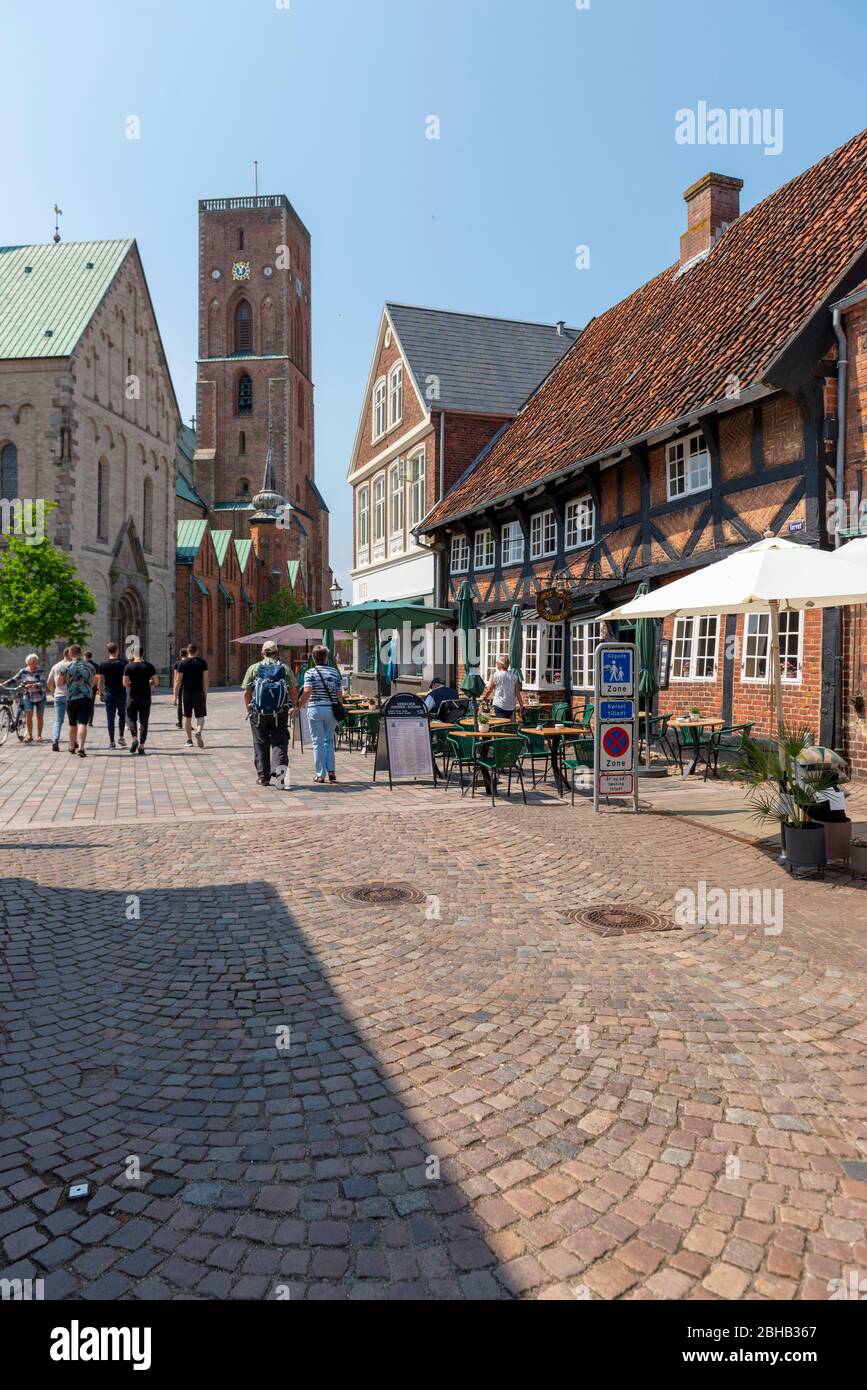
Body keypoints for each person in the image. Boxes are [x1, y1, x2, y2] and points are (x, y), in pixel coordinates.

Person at [242, 640, 296, 786]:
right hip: (280, 712)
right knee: (280, 742)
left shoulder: (254, 668)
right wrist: (294, 706)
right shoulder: (284, 668)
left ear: (263, 653)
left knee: (260, 743)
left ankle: (263, 778)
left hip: (258, 713)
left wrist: (249, 709)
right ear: (277, 653)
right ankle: (280, 777)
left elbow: (247, 692)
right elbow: (292, 690)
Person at [298, 644, 343, 784]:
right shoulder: (335, 672)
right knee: (329, 740)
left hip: (315, 709)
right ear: (326, 657)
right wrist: (340, 706)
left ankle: (320, 774)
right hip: (331, 710)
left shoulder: (310, 673)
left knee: (317, 742)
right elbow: (339, 694)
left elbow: (307, 691)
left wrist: (298, 705)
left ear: (313, 658)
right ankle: (331, 771)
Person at [64, 645, 98, 757]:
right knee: (82, 723)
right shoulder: (89, 666)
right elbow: (93, 681)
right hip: (86, 697)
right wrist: (87, 687)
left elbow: (59, 682)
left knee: (72, 724)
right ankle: (81, 748)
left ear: (70, 654)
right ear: (81, 652)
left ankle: (71, 746)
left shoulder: (66, 666)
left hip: (71, 698)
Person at [123, 650, 158, 755]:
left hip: (133, 697)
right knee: (143, 721)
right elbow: (156, 681)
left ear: (134, 655)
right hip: (145, 697)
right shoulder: (149, 666)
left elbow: (124, 683)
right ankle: (142, 746)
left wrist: (132, 684)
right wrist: (149, 682)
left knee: (130, 718)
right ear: (143, 654)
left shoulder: (128, 667)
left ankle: (134, 739)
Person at [174, 643, 209, 748]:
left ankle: (189, 740)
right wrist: (205, 693)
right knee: (200, 716)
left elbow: (178, 681)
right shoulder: (202, 663)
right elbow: (206, 679)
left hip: (186, 694)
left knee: (187, 717)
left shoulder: (182, 664)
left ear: (188, 651)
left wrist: (175, 696)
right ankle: (198, 731)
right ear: (197, 651)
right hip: (199, 693)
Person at [10, 654, 48, 742]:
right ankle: (30, 736)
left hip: (40, 695)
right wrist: (4, 684)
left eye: (35, 661)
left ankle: (39, 735)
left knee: (39, 716)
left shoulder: (41, 671)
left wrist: (32, 685)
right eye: (32, 661)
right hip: (28, 695)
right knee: (29, 715)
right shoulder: (23, 671)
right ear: (28, 662)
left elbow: (42, 683)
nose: (34, 663)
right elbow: (14, 679)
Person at [98, 642, 128, 749]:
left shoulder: (103, 664)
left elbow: (101, 681)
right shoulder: (124, 663)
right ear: (117, 650)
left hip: (108, 693)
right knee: (122, 715)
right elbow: (127, 679)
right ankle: (121, 737)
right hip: (121, 692)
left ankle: (111, 742)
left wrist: (100, 693)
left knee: (110, 717)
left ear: (108, 651)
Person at [482, 656, 525, 721]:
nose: (496, 664)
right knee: (509, 726)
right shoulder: (514, 677)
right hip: (511, 706)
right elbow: (517, 693)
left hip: (499, 705)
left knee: (501, 725)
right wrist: (521, 705)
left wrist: (484, 698)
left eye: (497, 662)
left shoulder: (495, 675)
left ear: (500, 664)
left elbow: (489, 689)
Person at [47, 647, 71, 751]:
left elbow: (49, 681)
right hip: (71, 696)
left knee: (58, 720)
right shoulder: (72, 665)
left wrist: (53, 691)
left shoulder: (56, 666)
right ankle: (73, 742)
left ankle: (55, 740)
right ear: (70, 654)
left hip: (59, 695)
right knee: (72, 720)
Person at [172, 647, 188, 728]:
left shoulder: (177, 664)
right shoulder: (189, 662)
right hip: (188, 685)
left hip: (180, 685)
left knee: (180, 704)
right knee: (188, 704)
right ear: (187, 654)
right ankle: (188, 723)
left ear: (180, 654)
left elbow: (176, 677)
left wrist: (174, 692)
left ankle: (180, 722)